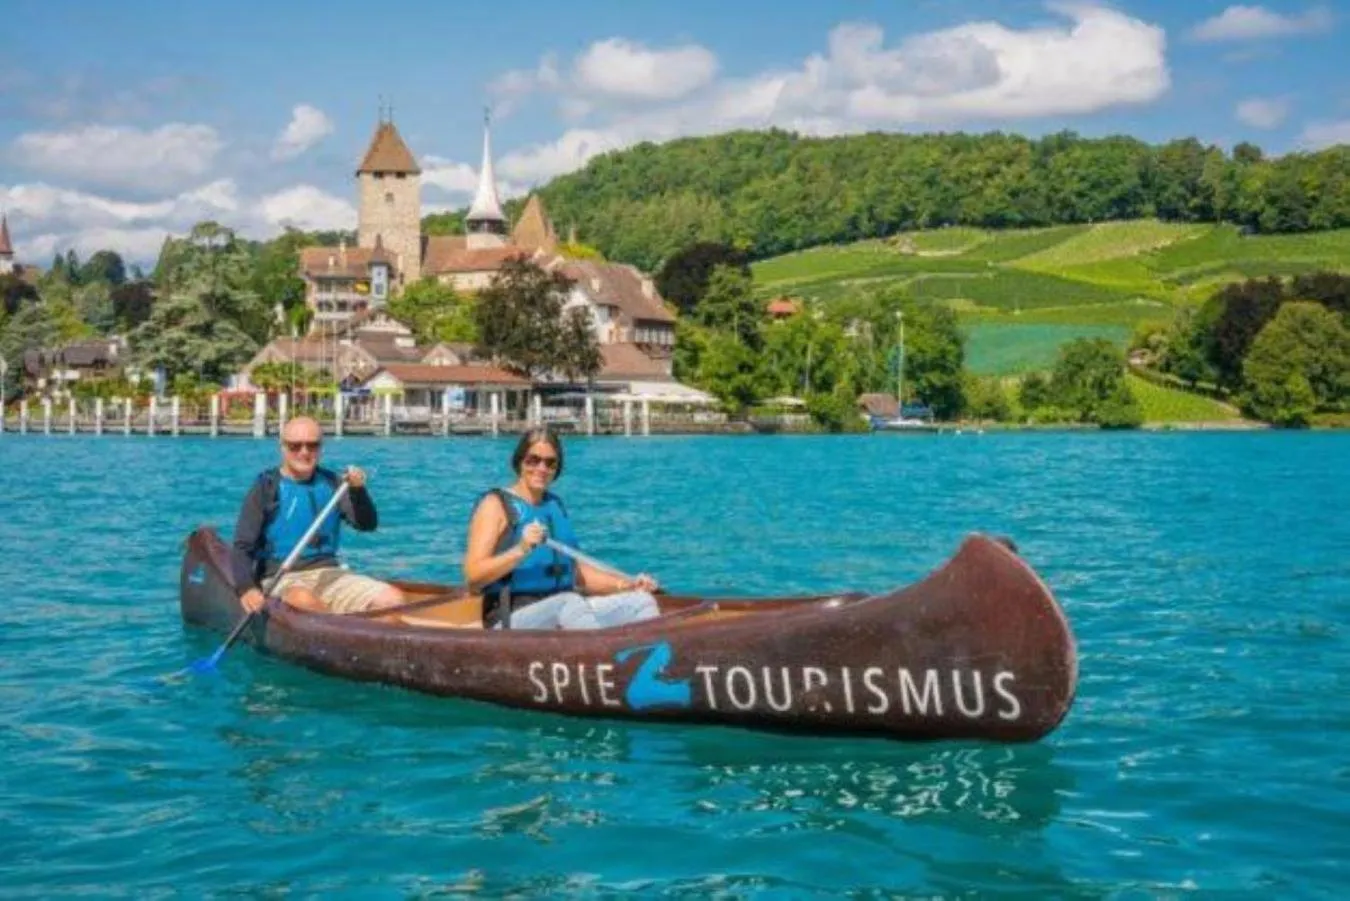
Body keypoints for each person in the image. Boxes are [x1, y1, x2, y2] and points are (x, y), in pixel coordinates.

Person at [464, 428, 662, 630]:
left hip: (562, 608)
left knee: (641, 602)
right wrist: (521, 550)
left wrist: (626, 585)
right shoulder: (495, 504)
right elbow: (473, 577)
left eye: (550, 463)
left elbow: (576, 573)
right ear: (520, 461)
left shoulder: (555, 505)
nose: (541, 468)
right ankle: (601, 654)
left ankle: (651, 657)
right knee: (568, 603)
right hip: (511, 617)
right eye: (534, 460)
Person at [231, 415, 405, 615]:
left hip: (329, 574)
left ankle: (352, 629)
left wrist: (358, 491)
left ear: (320, 448)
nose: (304, 452)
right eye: (296, 446)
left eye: (312, 446)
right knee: (302, 599)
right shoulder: (266, 487)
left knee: (393, 598)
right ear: (283, 447)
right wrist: (246, 588)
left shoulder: (334, 483)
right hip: (282, 578)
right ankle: (345, 629)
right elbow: (242, 546)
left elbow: (367, 524)